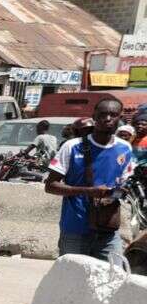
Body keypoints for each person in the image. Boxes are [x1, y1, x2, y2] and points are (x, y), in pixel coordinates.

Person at [46, 97, 132, 267]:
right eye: (102, 114)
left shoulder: (125, 148)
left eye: (113, 115)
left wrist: (116, 193)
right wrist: (88, 191)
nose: (107, 119)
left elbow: (123, 184)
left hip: (108, 230)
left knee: (113, 279)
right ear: (94, 116)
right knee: (71, 281)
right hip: (75, 229)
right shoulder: (72, 146)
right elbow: (50, 186)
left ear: (120, 118)